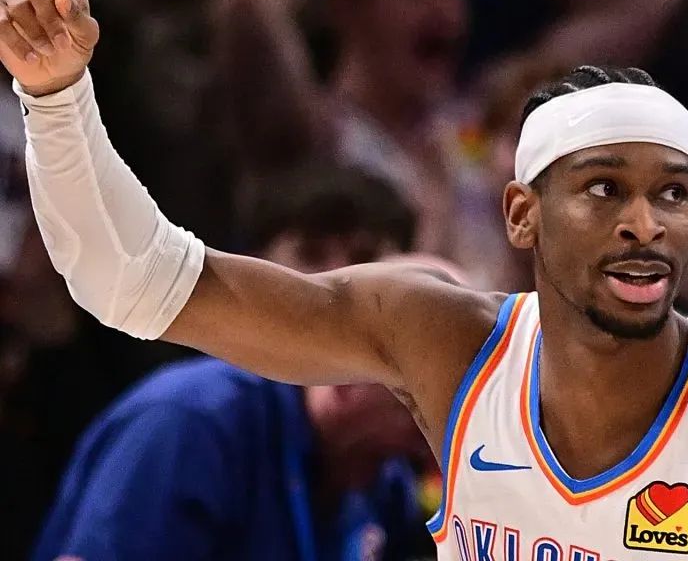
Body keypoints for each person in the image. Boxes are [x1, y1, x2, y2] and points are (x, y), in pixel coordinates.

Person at [0, 0, 688, 559]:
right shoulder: (448, 344)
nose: (644, 224)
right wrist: (56, 97)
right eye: (606, 188)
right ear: (521, 215)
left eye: (673, 195)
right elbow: (131, 278)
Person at [30, 167, 440, 561]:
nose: (335, 282)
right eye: (311, 255)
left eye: (364, 259)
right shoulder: (189, 419)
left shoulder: (383, 480)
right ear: (246, 269)